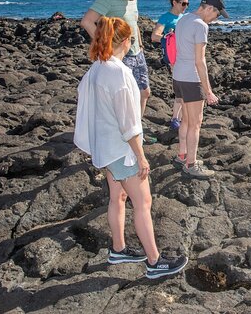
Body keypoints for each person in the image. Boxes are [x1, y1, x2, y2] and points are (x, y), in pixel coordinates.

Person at [74, 16, 188, 279]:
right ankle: (154, 261)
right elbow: (129, 124)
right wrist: (141, 156)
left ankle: (118, 249)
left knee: (118, 197)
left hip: (105, 148)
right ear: (126, 41)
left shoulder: (97, 68)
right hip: (121, 151)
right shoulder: (119, 73)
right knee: (143, 201)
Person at [171, 0, 229, 179]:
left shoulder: (184, 19)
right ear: (210, 8)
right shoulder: (200, 25)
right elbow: (200, 61)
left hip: (178, 77)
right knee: (195, 124)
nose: (215, 19)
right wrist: (208, 90)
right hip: (191, 79)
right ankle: (191, 164)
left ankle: (182, 155)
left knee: (186, 120)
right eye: (217, 14)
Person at [80, 0, 152, 118]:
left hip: (137, 52)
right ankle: (125, 133)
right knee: (125, 96)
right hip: (120, 55)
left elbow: (134, 23)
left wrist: (140, 44)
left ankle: (136, 129)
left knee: (144, 92)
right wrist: (107, 45)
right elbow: (86, 21)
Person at [151, 0, 190, 130]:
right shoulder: (166, 18)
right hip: (175, 59)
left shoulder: (185, 17)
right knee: (181, 90)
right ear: (175, 2)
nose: (186, 6)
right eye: (184, 3)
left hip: (187, 57)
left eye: (188, 4)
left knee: (185, 89)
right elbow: (154, 36)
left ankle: (179, 119)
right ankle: (175, 119)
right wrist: (169, 38)